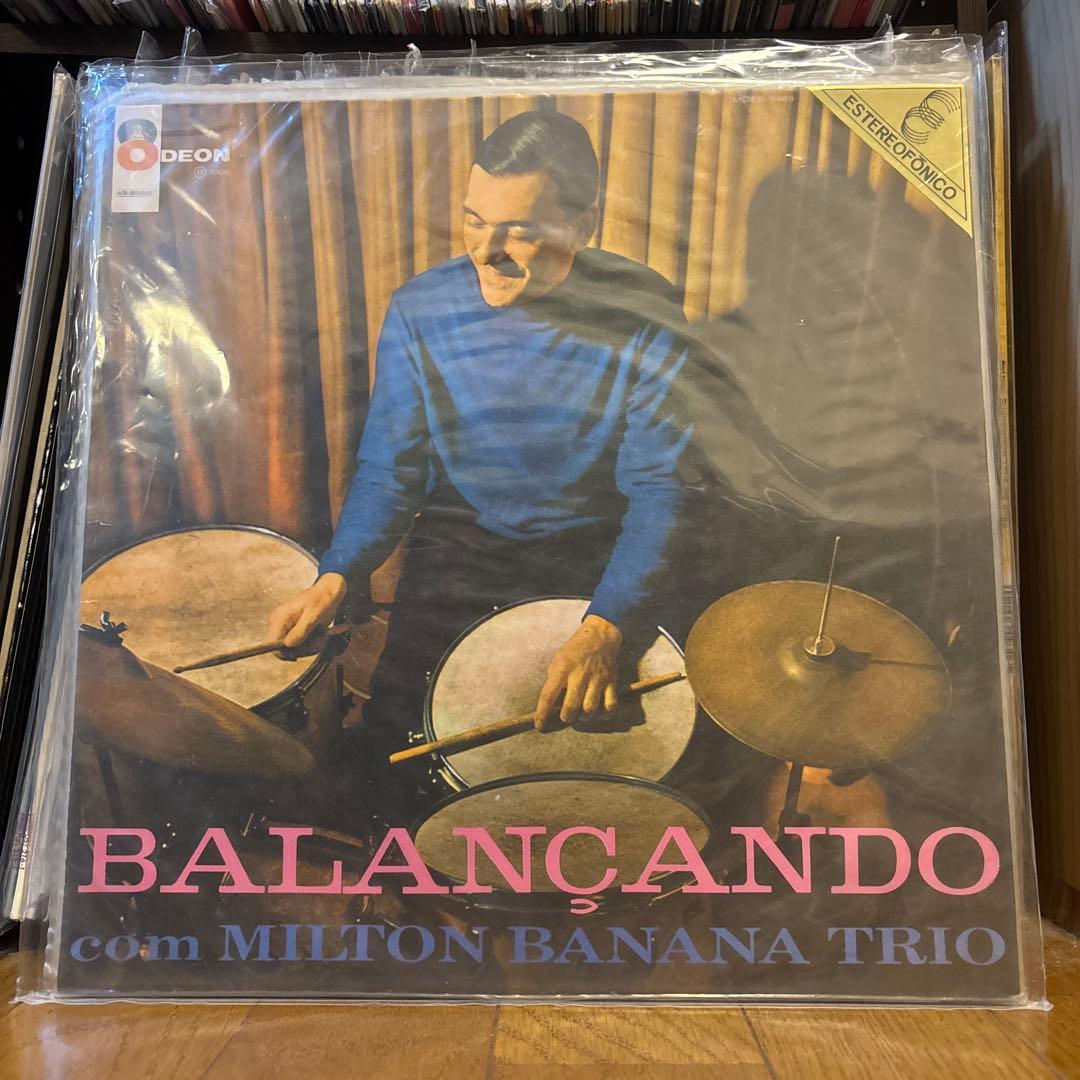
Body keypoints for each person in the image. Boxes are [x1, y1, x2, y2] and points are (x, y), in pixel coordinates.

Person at [268, 110, 691, 744]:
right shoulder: (420, 307)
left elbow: (661, 487)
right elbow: (391, 469)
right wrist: (338, 575)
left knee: (574, 752)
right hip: (462, 548)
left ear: (582, 226)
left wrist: (607, 625)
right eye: (474, 220)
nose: (486, 252)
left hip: (597, 552)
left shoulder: (646, 307)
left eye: (519, 230)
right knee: (396, 740)